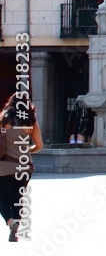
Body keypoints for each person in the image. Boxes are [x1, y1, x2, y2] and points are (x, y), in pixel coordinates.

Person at [0, 93, 43, 242]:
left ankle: (11, 222)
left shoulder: (3, 119)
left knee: (3, 199)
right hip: (25, 166)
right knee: (18, 197)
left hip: (4, 166)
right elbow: (39, 146)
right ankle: (17, 223)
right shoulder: (31, 121)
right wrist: (25, 151)